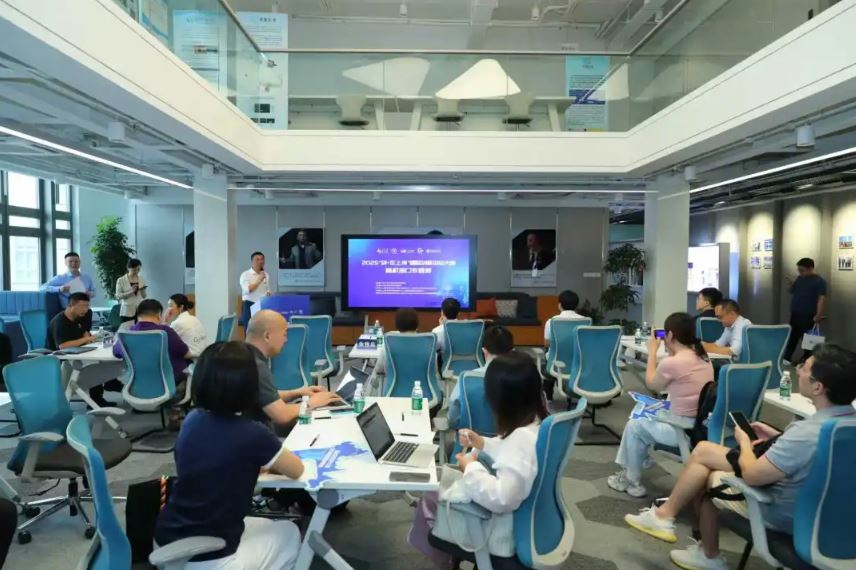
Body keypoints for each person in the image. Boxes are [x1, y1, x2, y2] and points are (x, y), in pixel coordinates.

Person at [624, 344, 856, 570]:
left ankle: (705, 552)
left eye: (804, 368)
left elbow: (753, 475)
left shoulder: (804, 434)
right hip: (838, 516)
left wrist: (744, 442)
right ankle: (667, 518)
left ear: (818, 388)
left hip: (789, 514)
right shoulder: (844, 426)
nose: (798, 370)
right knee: (703, 451)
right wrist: (778, 437)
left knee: (708, 476)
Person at [154, 342, 304, 569]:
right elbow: (297, 470)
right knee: (290, 532)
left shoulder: (192, 420)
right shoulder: (253, 433)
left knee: (265, 526)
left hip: (167, 539)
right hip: (212, 557)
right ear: (250, 385)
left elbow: (212, 459)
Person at [408, 351, 549, 566]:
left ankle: (443, 559)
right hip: (530, 520)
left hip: (501, 529)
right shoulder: (537, 424)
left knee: (432, 496)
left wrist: (470, 467)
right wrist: (483, 443)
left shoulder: (520, 440)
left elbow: (502, 498)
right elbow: (514, 456)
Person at [608, 313, 714, 498]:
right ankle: (639, 460)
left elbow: (652, 384)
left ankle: (632, 480)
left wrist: (652, 352)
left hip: (681, 431)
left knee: (634, 425)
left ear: (670, 335)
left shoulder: (672, 363)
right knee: (641, 415)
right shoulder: (703, 356)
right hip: (701, 425)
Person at [244, 310, 340, 433]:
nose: (286, 340)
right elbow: (282, 415)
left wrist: (298, 392)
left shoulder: (245, 358)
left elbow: (264, 396)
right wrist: (312, 403)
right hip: (253, 434)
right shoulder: (256, 366)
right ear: (267, 336)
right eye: (284, 334)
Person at [47, 292, 119, 407]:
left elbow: (85, 334)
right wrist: (88, 339)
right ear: (70, 306)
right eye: (82, 306)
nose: (85, 310)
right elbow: (63, 346)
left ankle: (110, 383)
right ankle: (97, 398)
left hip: (78, 351)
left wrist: (92, 338)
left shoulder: (80, 317)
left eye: (87, 306)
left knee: (104, 360)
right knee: (95, 367)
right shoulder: (59, 322)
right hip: (62, 357)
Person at [113, 299, 191, 389]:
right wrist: (164, 323)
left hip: (138, 387)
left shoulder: (127, 334)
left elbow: (116, 352)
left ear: (138, 315)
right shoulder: (165, 332)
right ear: (159, 315)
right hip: (169, 387)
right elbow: (186, 353)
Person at [447, 324, 514, 429]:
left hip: (471, 438)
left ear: (484, 351)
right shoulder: (523, 377)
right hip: (510, 438)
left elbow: (452, 419)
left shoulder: (466, 379)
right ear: (512, 352)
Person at [542, 290, 588, 399]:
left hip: (556, 364)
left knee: (548, 355)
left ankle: (548, 395)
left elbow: (546, 343)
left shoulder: (552, 321)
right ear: (576, 305)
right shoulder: (586, 321)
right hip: (579, 363)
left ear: (560, 305)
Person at [784, 257, 827, 363]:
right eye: (799, 270)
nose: (800, 272)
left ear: (810, 268)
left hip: (808, 315)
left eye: (802, 270)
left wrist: (818, 314)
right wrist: (791, 285)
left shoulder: (819, 282)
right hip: (795, 313)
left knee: (807, 339)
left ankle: (807, 359)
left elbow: (821, 299)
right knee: (793, 336)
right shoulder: (800, 278)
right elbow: (792, 291)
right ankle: (787, 357)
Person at [40, 251, 96, 331]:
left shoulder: (87, 278)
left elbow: (94, 292)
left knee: (86, 332)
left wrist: (89, 293)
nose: (74, 264)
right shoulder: (60, 278)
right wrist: (60, 289)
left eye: (76, 261)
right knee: (73, 334)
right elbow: (42, 287)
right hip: (68, 312)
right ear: (66, 263)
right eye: (70, 261)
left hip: (85, 310)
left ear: (79, 262)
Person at [372, 308, 420, 379]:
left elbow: (379, 369)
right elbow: (433, 369)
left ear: (397, 325)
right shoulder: (428, 344)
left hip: (394, 385)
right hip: (421, 385)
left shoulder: (389, 342)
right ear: (417, 324)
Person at [165, 294, 207, 358]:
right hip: (202, 357)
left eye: (170, 306)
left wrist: (165, 320)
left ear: (181, 307)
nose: (168, 309)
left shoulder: (177, 323)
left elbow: (165, 340)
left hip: (189, 359)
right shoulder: (195, 319)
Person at [239, 251, 271, 330]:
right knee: (250, 331)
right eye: (257, 259)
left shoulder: (266, 275)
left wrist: (268, 293)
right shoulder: (245, 275)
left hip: (262, 305)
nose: (260, 261)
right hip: (249, 304)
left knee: (261, 331)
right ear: (252, 262)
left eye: (262, 259)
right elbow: (248, 289)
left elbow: (267, 289)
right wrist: (259, 279)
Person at [115, 258, 147, 323]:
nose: (137, 272)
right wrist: (131, 291)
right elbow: (118, 296)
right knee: (127, 328)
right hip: (127, 311)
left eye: (138, 269)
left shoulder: (141, 278)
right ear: (128, 268)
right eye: (134, 270)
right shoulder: (121, 280)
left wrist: (143, 290)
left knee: (140, 328)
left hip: (140, 310)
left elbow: (144, 296)